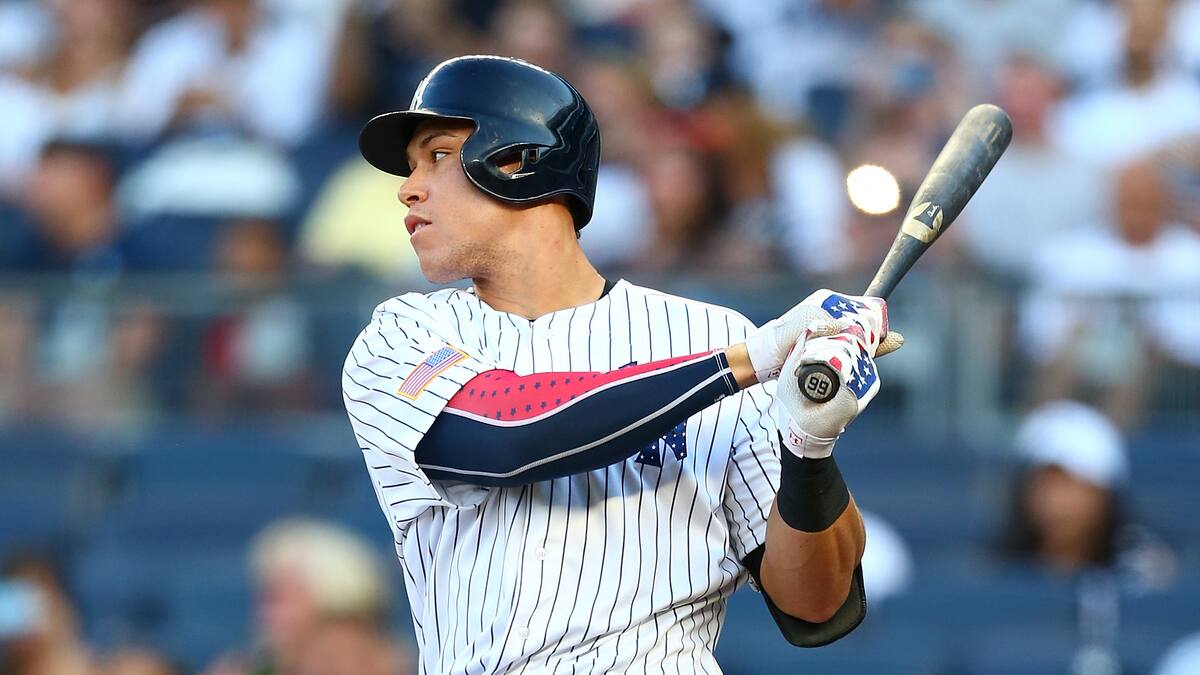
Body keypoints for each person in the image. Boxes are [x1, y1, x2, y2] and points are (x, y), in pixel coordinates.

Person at [342, 54, 904, 673]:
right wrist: (750, 361)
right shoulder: (403, 335)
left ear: (517, 160)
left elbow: (816, 604)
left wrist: (809, 446)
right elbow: (504, 436)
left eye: (439, 155)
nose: (408, 187)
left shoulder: (707, 333)